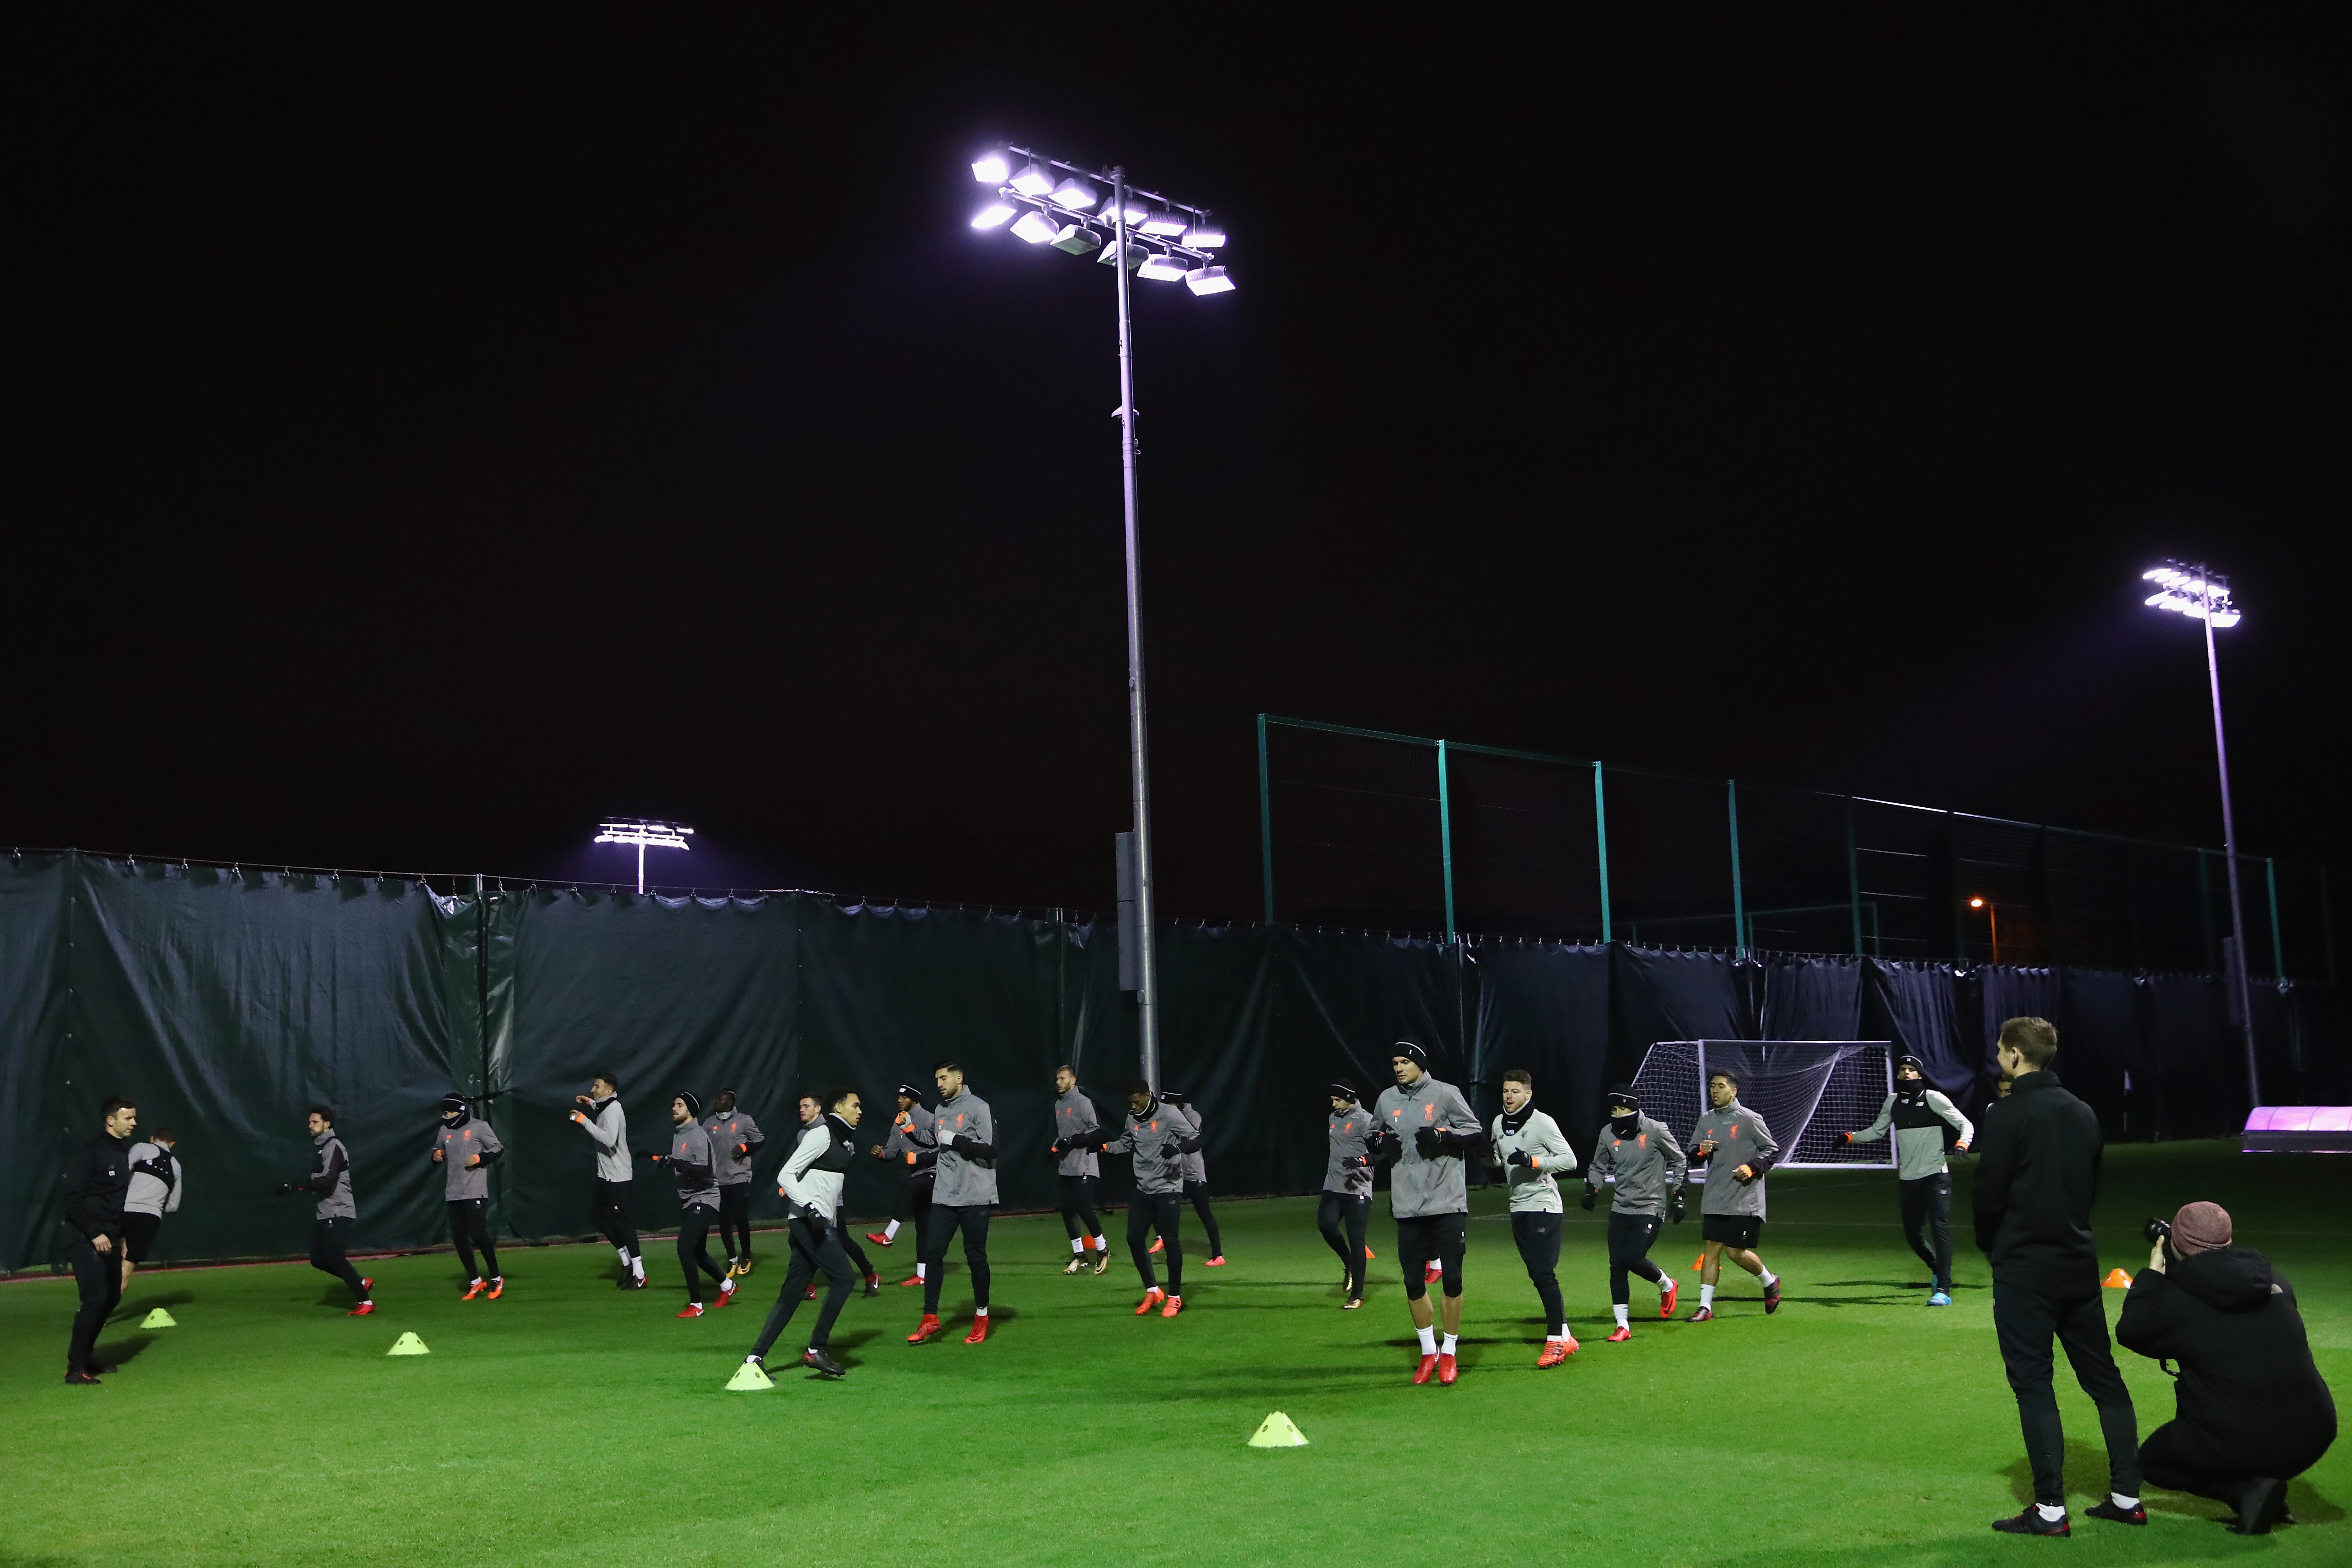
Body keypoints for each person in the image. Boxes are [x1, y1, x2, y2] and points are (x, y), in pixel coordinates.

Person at [1974, 1016, 2141, 1536]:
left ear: (2016, 1055)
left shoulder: (2006, 1113)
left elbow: (1988, 1196)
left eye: (2003, 1049)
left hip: (2025, 1268)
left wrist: (1994, 1246)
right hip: (2077, 1264)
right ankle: (2127, 1497)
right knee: (2105, 1380)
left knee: (2034, 1384)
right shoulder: (2083, 1110)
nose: (2000, 1056)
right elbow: (2091, 1185)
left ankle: (2050, 1509)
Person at [2118, 1202, 2334, 1534]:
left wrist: (2152, 1275)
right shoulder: (2275, 1282)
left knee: (2154, 1461)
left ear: (2174, 1244)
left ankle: (2247, 1491)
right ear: (2228, 1241)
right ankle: (2261, 1487)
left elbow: (2131, 1331)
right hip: (2315, 1433)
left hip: (2243, 1439)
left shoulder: (2176, 1301)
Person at [1370, 1039, 1484, 1385]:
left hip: (1447, 1202)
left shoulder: (1446, 1094)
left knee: (1452, 1279)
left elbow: (1475, 1131)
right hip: (1407, 1205)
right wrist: (1376, 1142)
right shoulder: (1386, 1099)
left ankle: (1449, 1351)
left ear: (1420, 1063)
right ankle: (1427, 1352)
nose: (1399, 1068)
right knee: (1412, 1282)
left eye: (1405, 1062)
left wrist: (1444, 1135)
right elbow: (1374, 1135)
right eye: (1395, 1063)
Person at [745, 1087, 865, 1378]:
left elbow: (828, 1186)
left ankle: (754, 1359)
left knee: (791, 1296)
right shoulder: (821, 1134)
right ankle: (815, 1350)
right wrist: (811, 1208)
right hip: (810, 1223)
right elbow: (786, 1174)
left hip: (813, 1223)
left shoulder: (842, 1138)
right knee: (845, 1279)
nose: (860, 1111)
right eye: (855, 1106)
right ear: (838, 1108)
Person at [1842, 1053, 1973, 1305]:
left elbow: (1965, 1124)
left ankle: (1943, 1289)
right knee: (1913, 1235)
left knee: (1940, 1229)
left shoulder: (1934, 1098)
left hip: (1936, 1176)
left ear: (1920, 1074)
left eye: (1911, 1069)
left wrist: (1962, 1144)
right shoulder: (1892, 1102)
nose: (1906, 1073)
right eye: (1903, 1069)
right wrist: (1850, 1137)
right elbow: (1876, 1132)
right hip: (1909, 1179)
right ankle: (1936, 1268)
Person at [1078, 1081, 1199, 1317]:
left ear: (1148, 1095)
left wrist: (1177, 1149)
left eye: (1137, 1101)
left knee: (1171, 1241)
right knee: (1134, 1238)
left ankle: (1175, 1297)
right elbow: (1126, 1144)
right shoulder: (1132, 1118)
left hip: (1169, 1186)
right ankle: (1153, 1290)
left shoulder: (1170, 1114)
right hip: (1144, 1188)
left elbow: (1196, 1139)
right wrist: (1104, 1147)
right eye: (1130, 1103)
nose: (1133, 1107)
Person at [1486, 1068, 1580, 1366]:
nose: (1509, 1097)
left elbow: (1570, 1160)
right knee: (1537, 1275)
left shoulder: (1542, 1123)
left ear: (1528, 1093)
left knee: (1543, 1272)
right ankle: (1565, 1335)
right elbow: (1499, 1160)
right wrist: (1485, 1157)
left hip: (1544, 1205)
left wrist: (1534, 1161)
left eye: (1515, 1092)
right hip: (1518, 1206)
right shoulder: (1498, 1123)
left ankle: (1554, 1342)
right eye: (1505, 1091)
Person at [1583, 1085, 1688, 1336]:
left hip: (1650, 1206)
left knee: (1632, 1258)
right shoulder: (1607, 1134)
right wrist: (1592, 1189)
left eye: (1622, 1109)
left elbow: (1679, 1160)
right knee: (1617, 1265)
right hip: (1621, 1207)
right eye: (1614, 1109)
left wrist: (1679, 1195)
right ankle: (1622, 1326)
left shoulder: (1655, 1130)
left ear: (1634, 1107)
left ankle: (1666, 1284)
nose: (1618, 1114)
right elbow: (1598, 1166)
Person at [908, 1060, 998, 1345]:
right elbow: (937, 1143)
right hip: (945, 1195)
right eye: (937, 1079)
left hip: (975, 1195)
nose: (939, 1084)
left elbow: (991, 1149)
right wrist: (912, 1131)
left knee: (975, 1257)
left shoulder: (978, 1107)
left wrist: (956, 1139)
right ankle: (930, 1318)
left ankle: (982, 1316)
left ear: (959, 1078)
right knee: (932, 1255)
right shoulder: (940, 1110)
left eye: (944, 1078)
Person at [1689, 1069, 1781, 1319]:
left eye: (1720, 1086)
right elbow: (1691, 1153)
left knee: (1735, 1253)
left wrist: (1751, 1168)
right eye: (1712, 1086)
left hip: (1744, 1199)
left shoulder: (1750, 1118)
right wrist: (1700, 1150)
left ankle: (1769, 1280)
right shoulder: (1706, 1120)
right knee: (1712, 1249)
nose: (1715, 1091)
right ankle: (1705, 1307)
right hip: (1715, 1197)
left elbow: (1772, 1151)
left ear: (1734, 1091)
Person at [60, 1097, 136, 1384]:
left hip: (112, 1238)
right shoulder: (90, 1154)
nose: (133, 1123)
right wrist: (94, 1232)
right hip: (84, 1237)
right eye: (128, 1118)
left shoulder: (121, 1154)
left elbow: (116, 1203)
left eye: (134, 1118)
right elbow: (72, 1198)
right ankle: (75, 1368)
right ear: (110, 1120)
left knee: (113, 1297)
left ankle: (87, 1357)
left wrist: (122, 1237)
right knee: (94, 1299)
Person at [653, 1091, 737, 1318]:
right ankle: (728, 1286)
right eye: (674, 1104)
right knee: (698, 1253)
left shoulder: (698, 1136)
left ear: (690, 1110)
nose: (674, 1108)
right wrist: (667, 1162)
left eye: (679, 1105)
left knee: (684, 1248)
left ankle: (696, 1305)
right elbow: (683, 1165)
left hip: (706, 1197)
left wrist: (675, 1162)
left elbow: (705, 1171)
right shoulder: (679, 1134)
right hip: (690, 1199)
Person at [285, 1105, 373, 1314]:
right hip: (324, 1211)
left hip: (338, 1209)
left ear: (327, 1124)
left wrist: (298, 1186)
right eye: (309, 1122)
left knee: (335, 1256)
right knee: (318, 1259)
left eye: (315, 1122)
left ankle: (366, 1301)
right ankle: (361, 1281)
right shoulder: (320, 1147)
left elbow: (327, 1181)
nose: (311, 1126)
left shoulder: (333, 1146)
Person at [570, 1073, 645, 1289]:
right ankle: (626, 1260)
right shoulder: (606, 1105)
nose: (593, 1089)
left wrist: (584, 1121)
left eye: (597, 1087)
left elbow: (610, 1140)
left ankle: (639, 1272)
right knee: (598, 1217)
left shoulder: (614, 1109)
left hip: (618, 1177)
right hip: (605, 1176)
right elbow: (601, 1110)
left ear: (609, 1090)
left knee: (621, 1223)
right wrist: (590, 1103)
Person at [432, 1093, 506, 1300]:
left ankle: (496, 1278)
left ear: (460, 1111)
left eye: (449, 1112)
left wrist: (479, 1158)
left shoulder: (479, 1127)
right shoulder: (444, 1130)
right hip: (453, 1192)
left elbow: (497, 1148)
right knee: (458, 1237)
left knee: (479, 1234)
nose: (446, 1116)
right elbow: (438, 1149)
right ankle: (475, 1280)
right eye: (445, 1113)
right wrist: (437, 1155)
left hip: (474, 1190)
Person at [868, 1082, 937, 1288]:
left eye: (904, 1097)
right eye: (898, 1097)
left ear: (915, 1100)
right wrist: (880, 1154)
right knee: (923, 1226)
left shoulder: (929, 1118)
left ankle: (889, 1235)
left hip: (934, 1173)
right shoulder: (898, 1122)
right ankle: (922, 1274)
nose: (899, 1100)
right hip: (916, 1174)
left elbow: (941, 1149)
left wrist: (920, 1159)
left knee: (912, 1186)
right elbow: (891, 1152)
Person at [1318, 1081, 1379, 1309]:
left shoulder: (1366, 1121)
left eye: (1337, 1100)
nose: (1333, 1104)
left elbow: (1380, 1152)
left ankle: (1358, 1296)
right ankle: (1349, 1262)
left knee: (1357, 1241)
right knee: (1326, 1225)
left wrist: (1363, 1162)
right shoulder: (1334, 1118)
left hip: (1358, 1189)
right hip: (1333, 1185)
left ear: (1349, 1098)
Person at [1047, 1064, 1109, 1274]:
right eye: (1057, 1079)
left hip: (1085, 1165)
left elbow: (1097, 1131)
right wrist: (1055, 1147)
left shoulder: (1083, 1102)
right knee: (1067, 1211)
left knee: (1084, 1208)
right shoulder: (1059, 1104)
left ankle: (1102, 1249)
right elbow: (1063, 1133)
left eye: (1063, 1078)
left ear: (1073, 1081)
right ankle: (1079, 1255)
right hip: (1066, 1168)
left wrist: (1074, 1140)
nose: (1059, 1082)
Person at [1158, 1090, 1226, 1266]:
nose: (1166, 1107)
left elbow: (1190, 1140)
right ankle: (1162, 1239)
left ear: (1178, 1104)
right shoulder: (1168, 1115)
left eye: (1169, 1104)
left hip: (1193, 1173)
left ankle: (1218, 1255)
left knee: (1204, 1213)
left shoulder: (1193, 1116)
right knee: (1162, 1205)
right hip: (1175, 1171)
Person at [705, 1089, 765, 1279]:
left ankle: (746, 1257)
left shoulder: (744, 1121)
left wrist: (745, 1147)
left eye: (722, 1099)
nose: (718, 1101)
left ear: (731, 1102)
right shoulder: (709, 1124)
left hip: (740, 1177)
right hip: (718, 1180)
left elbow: (760, 1140)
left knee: (740, 1218)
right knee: (723, 1222)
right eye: (716, 1098)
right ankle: (732, 1259)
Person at [120, 1125, 183, 1290]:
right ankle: (104, 1310)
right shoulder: (176, 1166)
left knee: (106, 1251)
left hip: (125, 1210)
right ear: (172, 1143)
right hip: (150, 1217)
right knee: (126, 1270)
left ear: (153, 1138)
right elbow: (173, 1205)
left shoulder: (142, 1147)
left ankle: (92, 1308)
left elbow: (123, 1169)